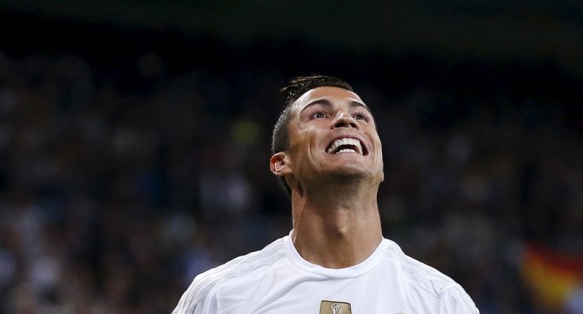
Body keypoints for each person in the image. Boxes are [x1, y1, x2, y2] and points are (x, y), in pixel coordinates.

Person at [172, 75, 479, 313]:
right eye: (318, 115)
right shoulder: (223, 296)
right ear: (282, 163)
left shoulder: (441, 301)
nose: (345, 120)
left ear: (380, 163)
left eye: (361, 117)